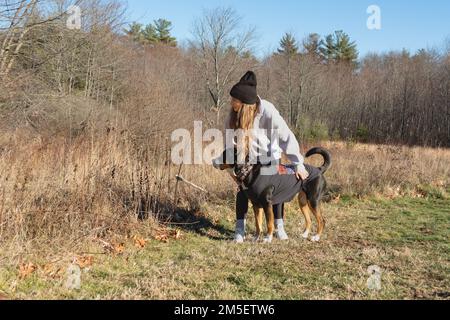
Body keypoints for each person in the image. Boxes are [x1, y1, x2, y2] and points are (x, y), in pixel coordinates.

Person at [225, 71, 309, 243]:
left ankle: (279, 227)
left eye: (235, 100)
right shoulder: (233, 115)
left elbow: (286, 137)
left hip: (270, 156)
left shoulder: (268, 111)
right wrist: (232, 171)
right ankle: (240, 230)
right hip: (247, 159)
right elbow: (229, 145)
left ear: (246, 104)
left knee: (273, 190)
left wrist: (298, 163)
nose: (231, 103)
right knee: (243, 191)